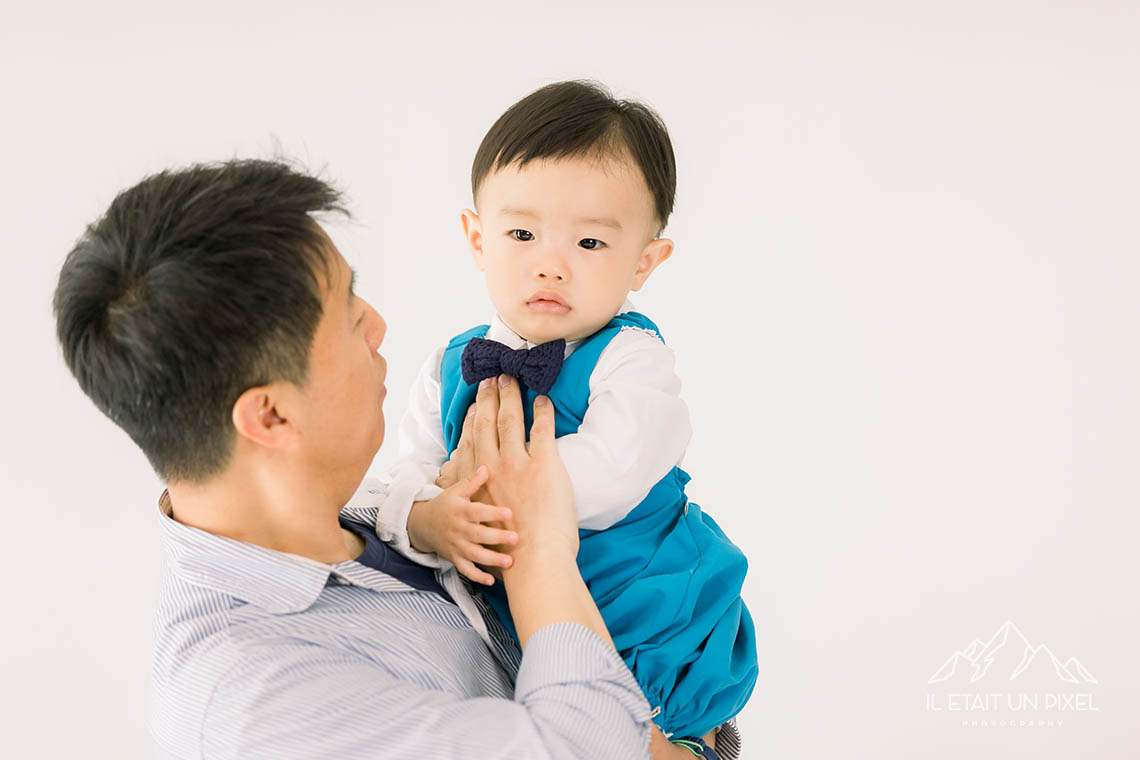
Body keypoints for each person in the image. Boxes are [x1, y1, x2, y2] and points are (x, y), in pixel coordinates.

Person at [52, 158, 741, 759]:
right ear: (270, 415)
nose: (378, 320)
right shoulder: (256, 707)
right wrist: (537, 546)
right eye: (348, 314)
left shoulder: (347, 517)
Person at [376, 80, 757, 752]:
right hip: (516, 638)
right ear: (477, 238)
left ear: (645, 261)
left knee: (629, 727)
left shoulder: (632, 360)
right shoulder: (453, 363)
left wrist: (485, 492)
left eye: (589, 244)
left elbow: (613, 469)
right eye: (521, 233)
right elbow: (406, 472)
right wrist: (427, 516)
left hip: (643, 617)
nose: (550, 266)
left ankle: (682, 737)